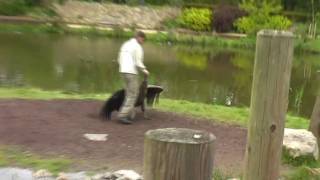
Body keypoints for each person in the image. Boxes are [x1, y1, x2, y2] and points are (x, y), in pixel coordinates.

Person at [117, 31, 149, 124]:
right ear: (139, 37)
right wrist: (145, 71)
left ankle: (129, 114)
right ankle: (123, 115)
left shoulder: (125, 44)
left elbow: (119, 58)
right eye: (143, 39)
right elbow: (138, 62)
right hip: (131, 72)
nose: (143, 41)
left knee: (128, 93)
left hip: (122, 70)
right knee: (133, 94)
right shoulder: (137, 47)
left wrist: (122, 67)